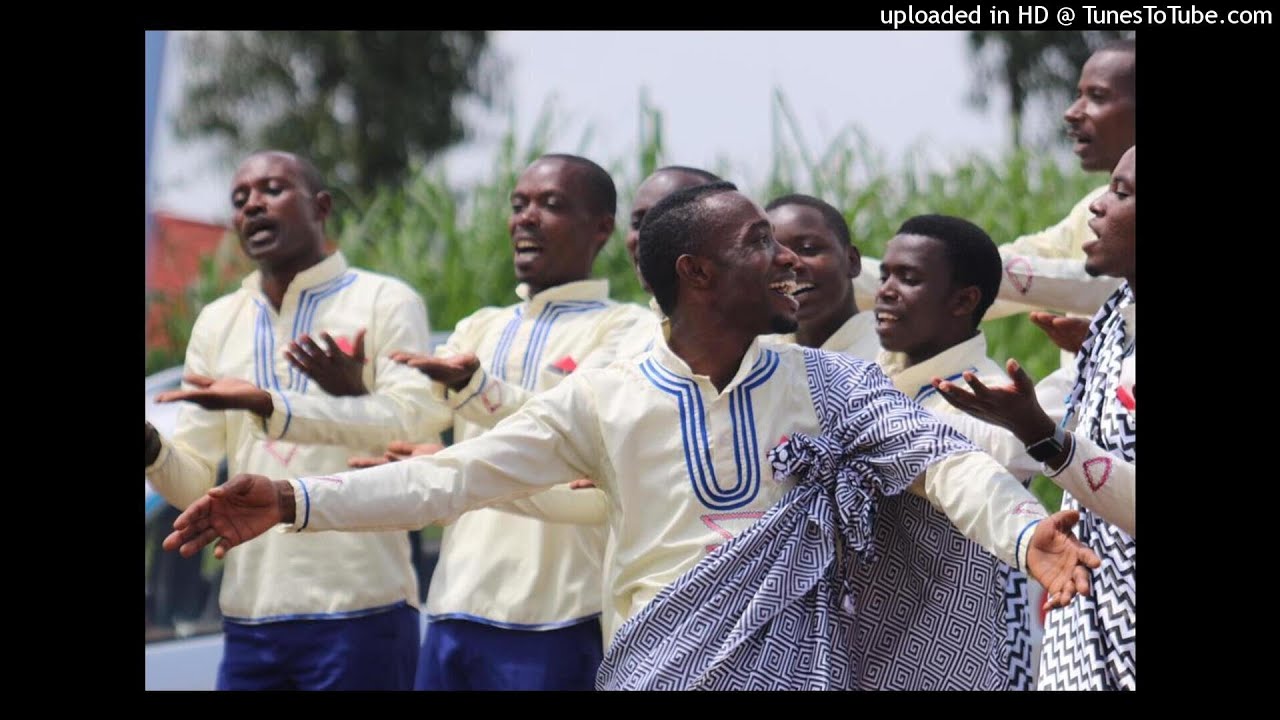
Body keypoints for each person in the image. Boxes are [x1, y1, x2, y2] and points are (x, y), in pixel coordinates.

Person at [164, 183, 1101, 690]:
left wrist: (1028, 536)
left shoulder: (828, 381)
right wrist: (295, 498)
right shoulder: (605, 400)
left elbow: (945, 470)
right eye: (755, 245)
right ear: (697, 274)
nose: (783, 259)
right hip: (658, 667)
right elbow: (450, 481)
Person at [144, 150, 443, 690]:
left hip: (363, 609)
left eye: (273, 190)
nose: (254, 205)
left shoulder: (384, 301)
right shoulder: (218, 322)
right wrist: (150, 449)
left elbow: (411, 425)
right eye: (240, 199)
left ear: (321, 206)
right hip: (250, 618)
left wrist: (269, 404)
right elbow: (192, 485)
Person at [359, 154, 652, 691]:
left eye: (551, 205)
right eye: (519, 205)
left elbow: (572, 434)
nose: (526, 217)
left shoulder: (628, 330)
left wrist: (477, 391)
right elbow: (410, 417)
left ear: (602, 227)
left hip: (559, 614)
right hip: (453, 606)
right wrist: (351, 388)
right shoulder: (480, 326)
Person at [935, 145, 1136, 690]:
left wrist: (1044, 437)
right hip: (1090, 619)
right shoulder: (1116, 317)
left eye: (1122, 193)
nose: (1096, 206)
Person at [872, 214, 1048, 689]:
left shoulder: (987, 397)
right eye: (884, 274)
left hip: (961, 654)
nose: (886, 290)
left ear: (964, 300)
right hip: (875, 646)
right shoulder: (877, 383)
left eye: (909, 278)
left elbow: (1008, 448)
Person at [760, 193, 877, 359]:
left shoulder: (893, 355)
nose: (790, 264)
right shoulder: (759, 358)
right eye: (772, 255)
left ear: (852, 261)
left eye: (808, 249)